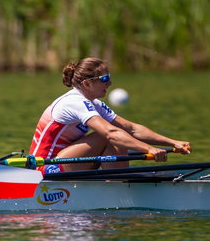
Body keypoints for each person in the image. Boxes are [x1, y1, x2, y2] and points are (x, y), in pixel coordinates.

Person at [29, 57, 191, 172]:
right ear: (87, 83)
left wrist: (172, 142)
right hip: (44, 168)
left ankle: (118, 182)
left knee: (119, 133)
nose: (110, 83)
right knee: (109, 135)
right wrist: (149, 149)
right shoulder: (74, 102)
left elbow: (132, 128)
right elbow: (111, 134)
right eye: (104, 79)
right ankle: (118, 186)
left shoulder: (95, 103)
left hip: (68, 161)